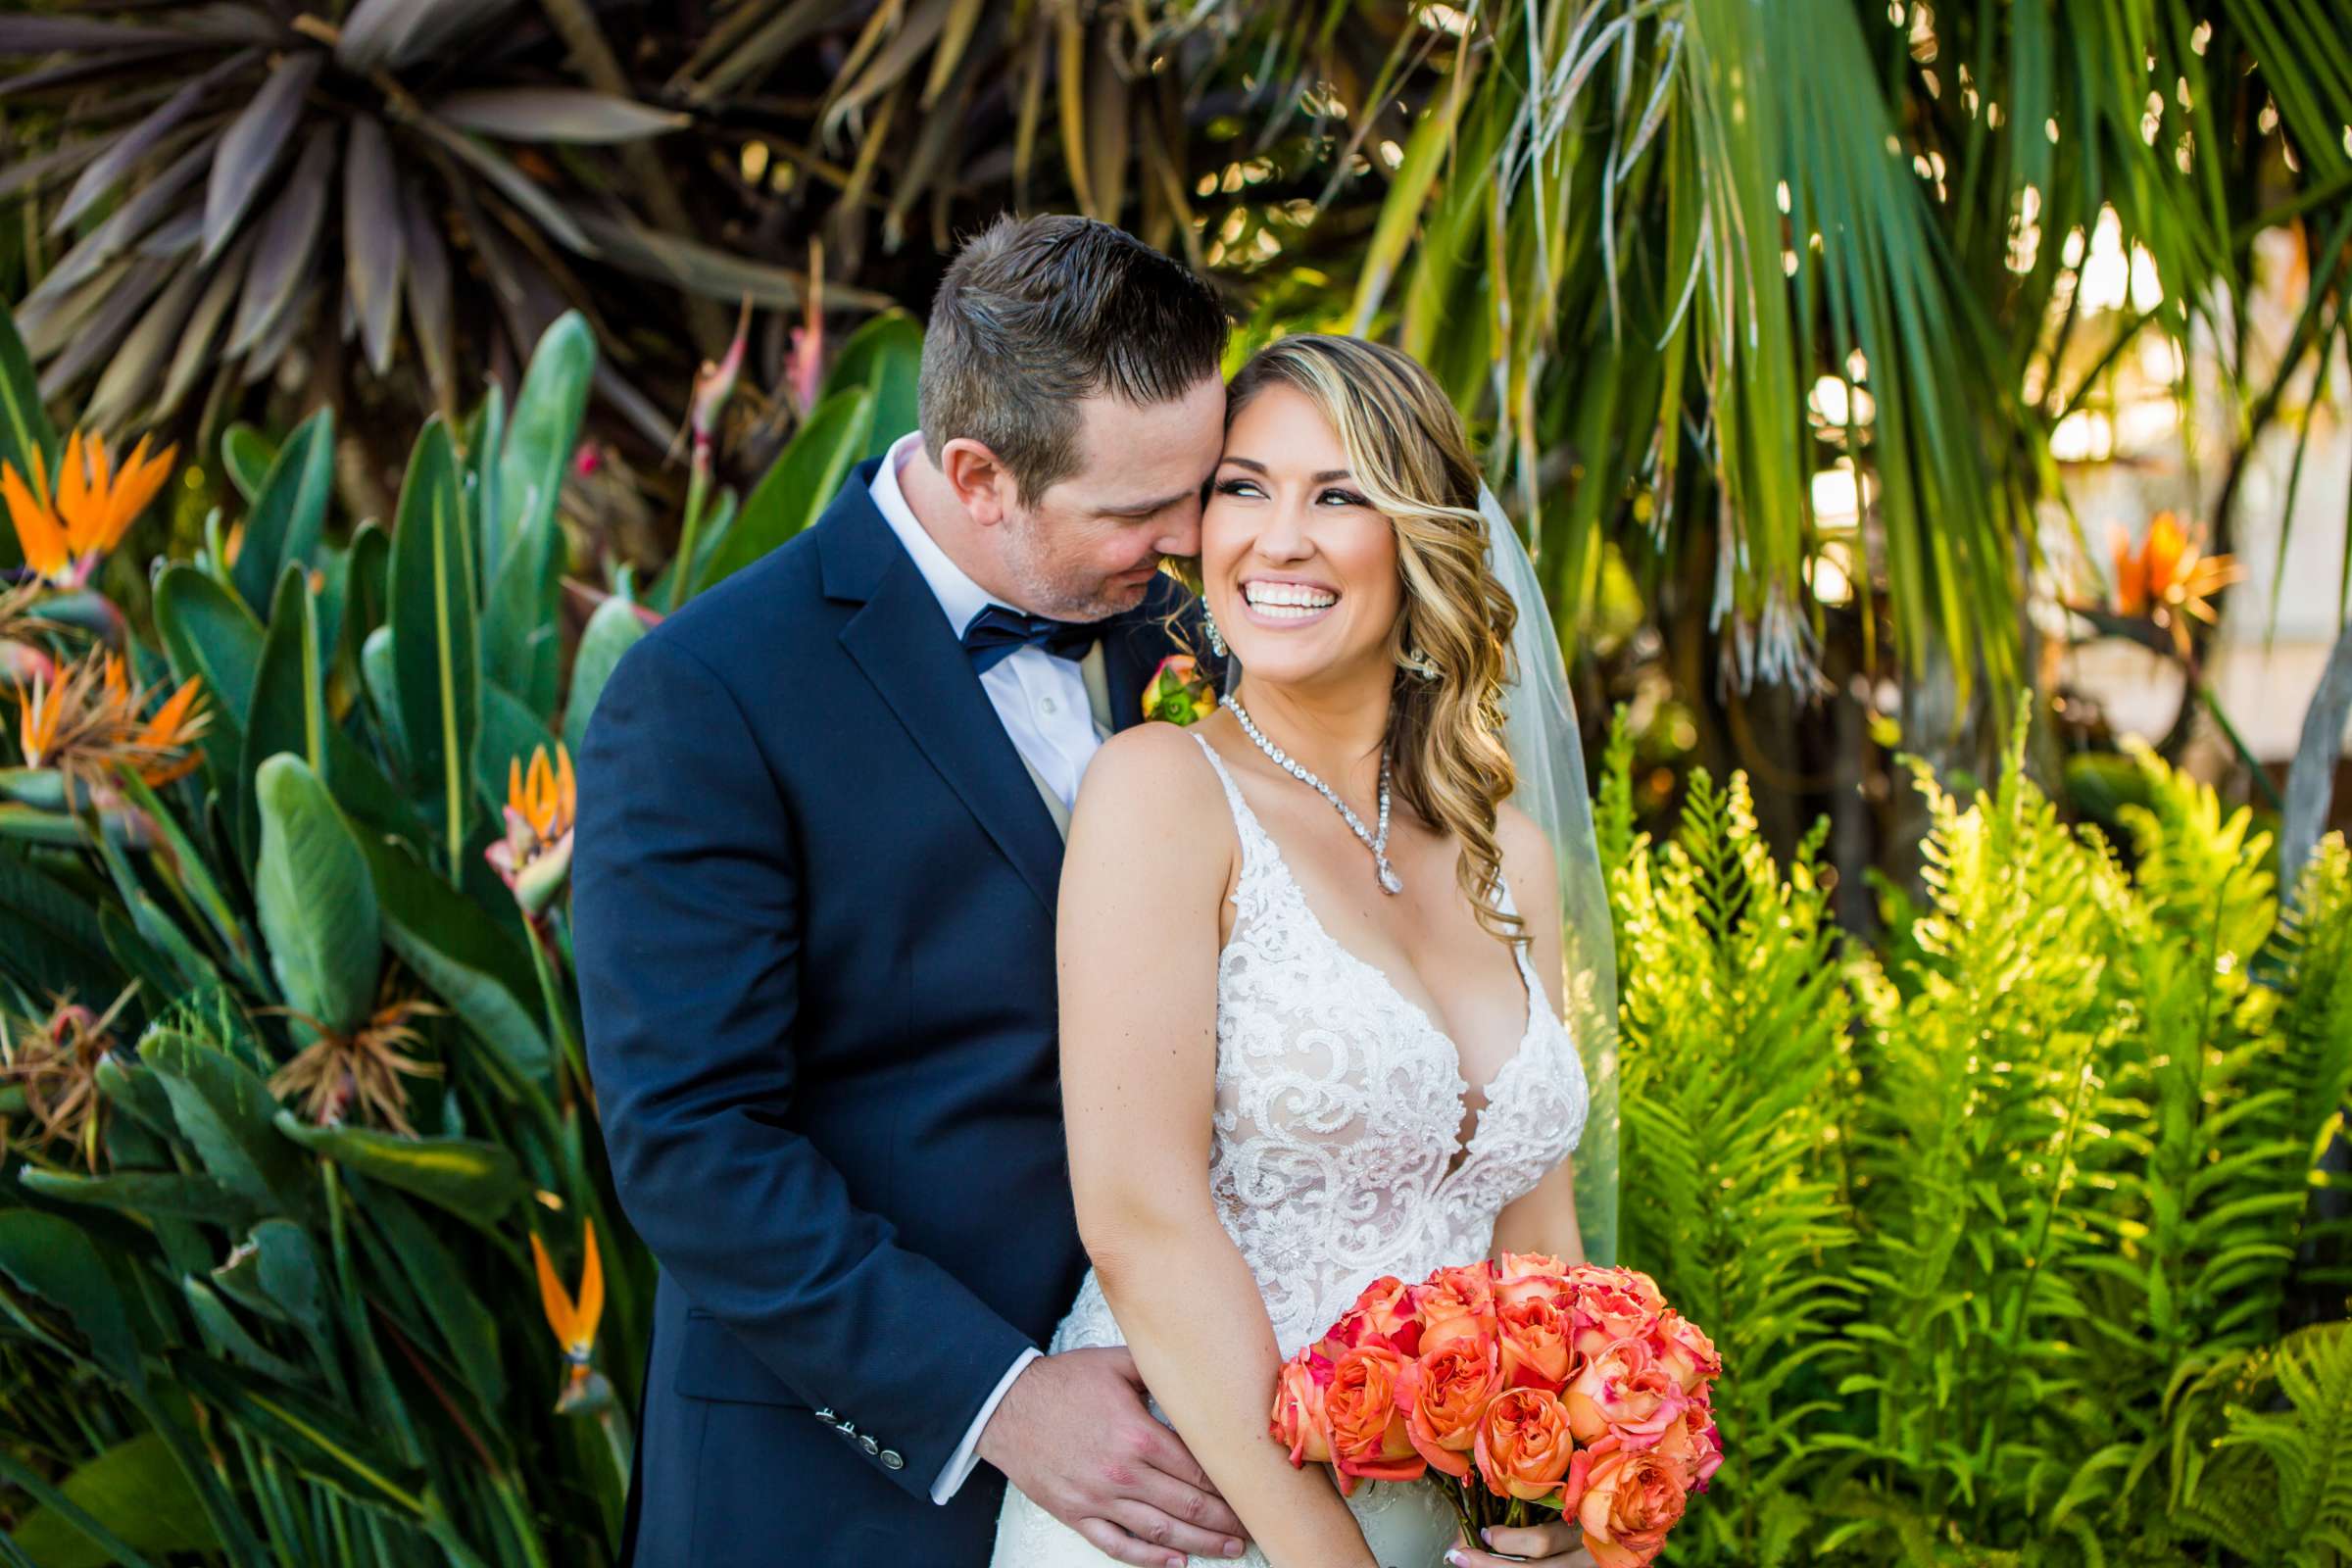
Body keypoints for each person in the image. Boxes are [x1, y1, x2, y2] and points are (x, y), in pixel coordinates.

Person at [573, 213, 1253, 1567]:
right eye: (1138, 512)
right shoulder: (709, 695)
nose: (1191, 543)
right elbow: (693, 1143)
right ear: (978, 473)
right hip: (840, 1497)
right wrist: (996, 1399)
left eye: (1201, 488)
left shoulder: (1191, 626)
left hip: (1197, 1467)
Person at [990, 334, 1608, 1568]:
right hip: (1201, 1516)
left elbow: (1538, 1245)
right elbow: (1141, 1220)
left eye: (1339, 494)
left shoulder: (1511, 860)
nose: (1281, 537)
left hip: (1443, 1529)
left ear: (1420, 540)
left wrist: (1572, 1508)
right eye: (1244, 488)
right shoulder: (1160, 792)